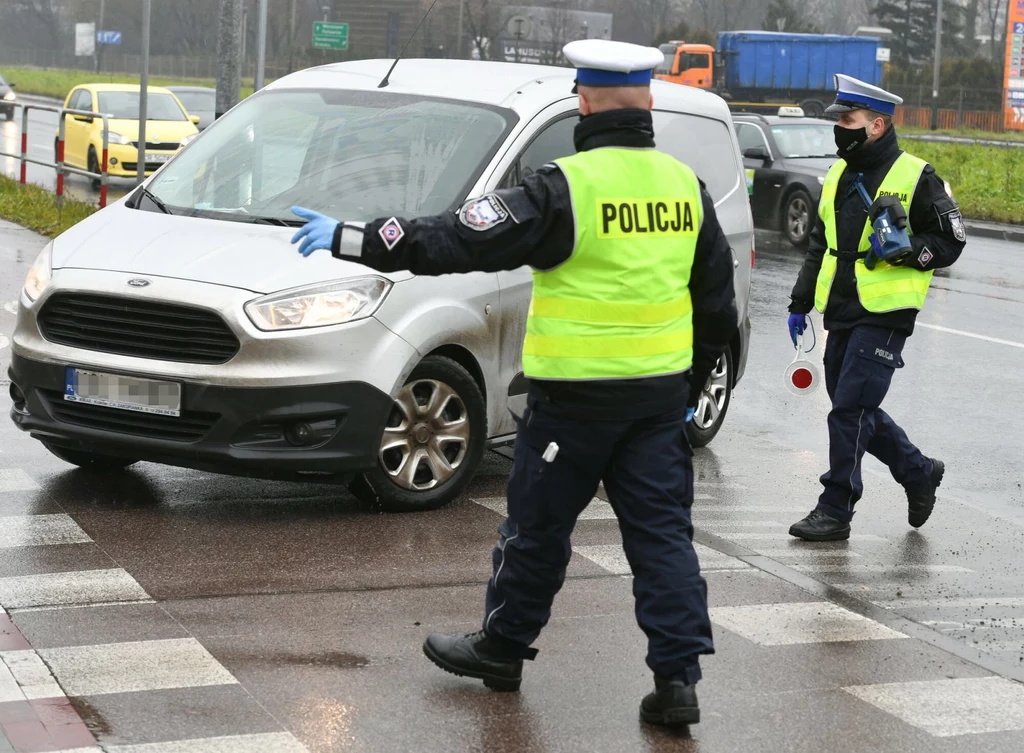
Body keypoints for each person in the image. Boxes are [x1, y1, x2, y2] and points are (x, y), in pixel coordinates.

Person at [288, 39, 738, 726]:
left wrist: (354, 238)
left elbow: (457, 239)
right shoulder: (686, 188)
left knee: (536, 531)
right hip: (655, 402)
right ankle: (678, 682)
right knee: (663, 539)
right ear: (647, 103)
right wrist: (689, 389)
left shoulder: (562, 189)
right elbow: (716, 302)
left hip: (573, 403)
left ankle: (502, 648)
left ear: (583, 104)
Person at [787, 75, 966, 542]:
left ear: (877, 126)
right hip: (841, 307)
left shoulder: (917, 175)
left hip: (886, 314)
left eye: (848, 120)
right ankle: (919, 470)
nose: (840, 128)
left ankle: (835, 507)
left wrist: (907, 252)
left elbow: (951, 239)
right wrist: (800, 300)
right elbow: (820, 243)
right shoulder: (839, 175)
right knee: (855, 408)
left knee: (850, 409)